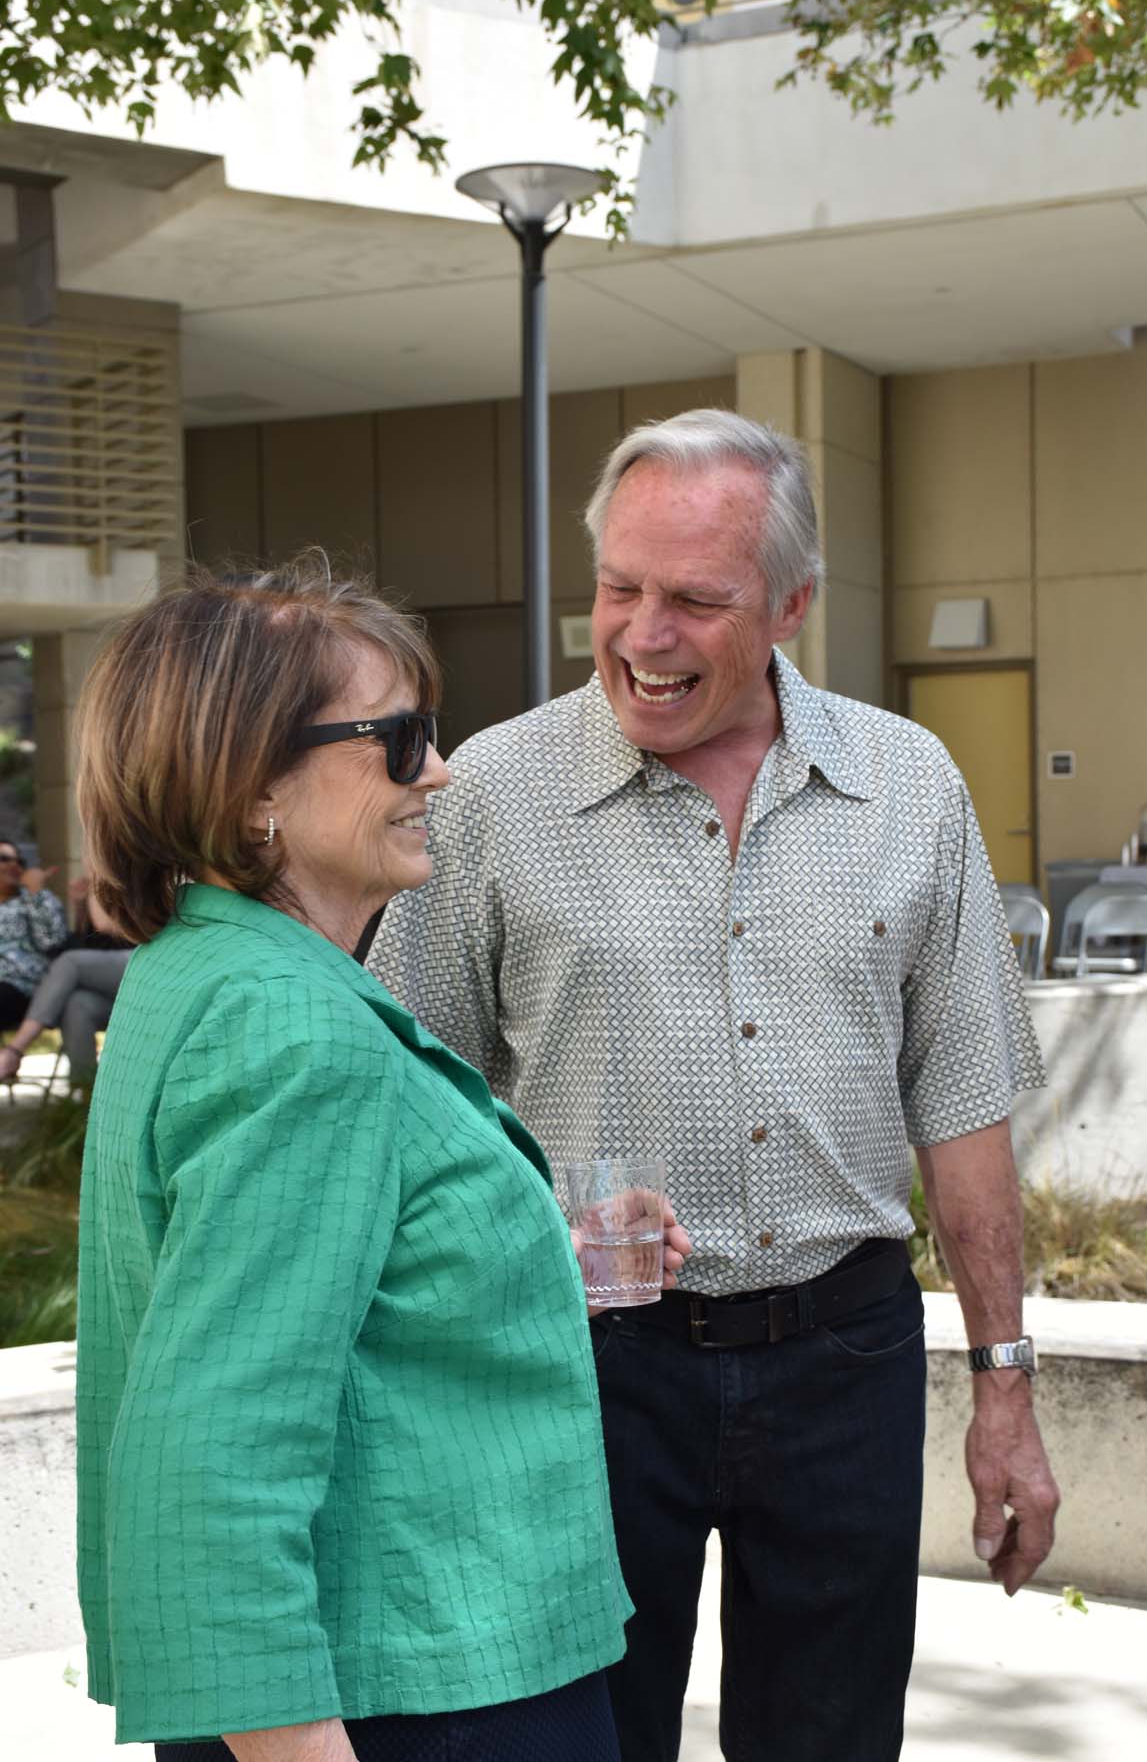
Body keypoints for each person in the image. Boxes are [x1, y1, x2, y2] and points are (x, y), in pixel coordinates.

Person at [369, 409, 1062, 1762]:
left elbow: (965, 1104)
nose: (641, 634)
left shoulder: (911, 783)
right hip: (590, 1361)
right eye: (619, 589)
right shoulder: (489, 795)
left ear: (794, 603)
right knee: (588, 1740)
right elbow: (407, 1104)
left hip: (845, 1352)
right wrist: (530, 1240)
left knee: (832, 1739)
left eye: (694, 598)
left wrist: (1006, 1395)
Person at [74, 561, 688, 1762]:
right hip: (414, 1694)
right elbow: (216, 1452)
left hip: (378, 1680)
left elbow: (299, 1292)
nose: (440, 771)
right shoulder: (297, 1026)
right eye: (399, 739)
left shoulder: (205, 969)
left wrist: (525, 1250)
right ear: (254, 781)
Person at [0, 876, 132, 1084]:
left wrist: (94, 877)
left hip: (145, 962)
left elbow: (106, 925)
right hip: (112, 979)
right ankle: (85, 1094)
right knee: (77, 1005)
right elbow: (89, 940)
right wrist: (80, 903)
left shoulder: (134, 876)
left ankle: (14, 1051)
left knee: (69, 962)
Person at [0, 838, 67, 1034]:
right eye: (4, 858)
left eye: (19, 861)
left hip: (21, 986)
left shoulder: (36, 898)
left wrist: (35, 891)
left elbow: (51, 941)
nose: (14, 864)